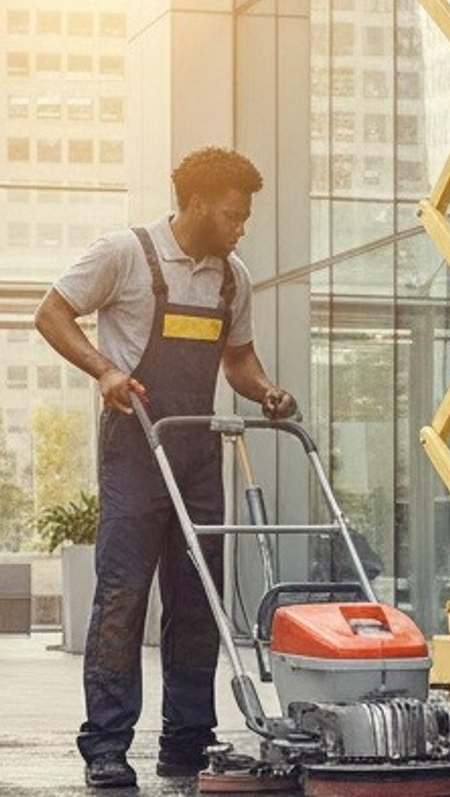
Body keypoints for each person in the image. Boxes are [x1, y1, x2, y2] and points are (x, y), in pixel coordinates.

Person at [35, 146, 298, 790]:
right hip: (135, 448)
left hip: (198, 452)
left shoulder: (232, 278)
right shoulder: (124, 254)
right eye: (233, 214)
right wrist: (105, 370)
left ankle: (187, 741)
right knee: (123, 596)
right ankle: (106, 745)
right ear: (198, 204)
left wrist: (266, 391)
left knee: (199, 598)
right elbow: (51, 313)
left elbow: (238, 360)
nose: (241, 227)